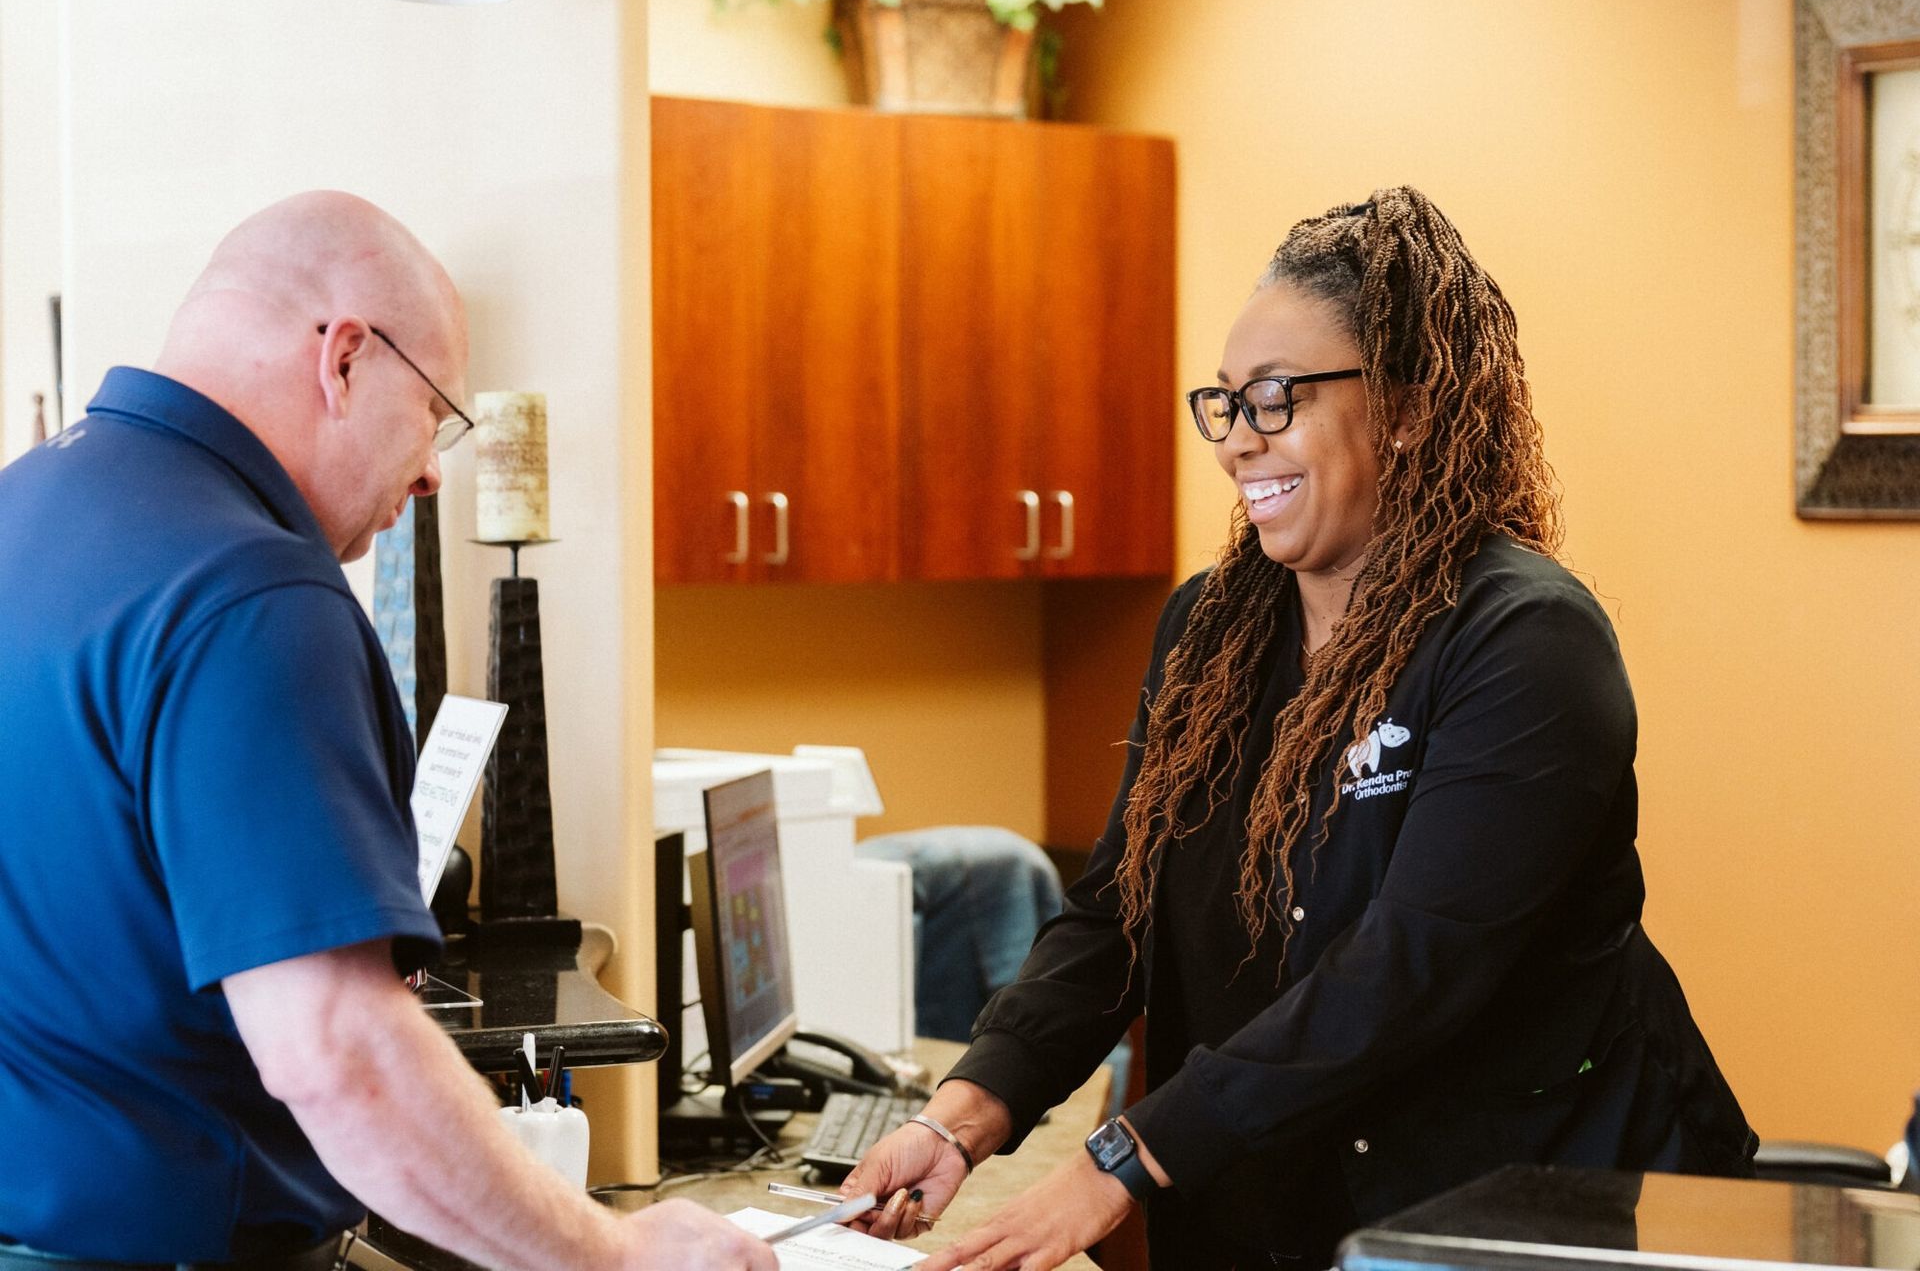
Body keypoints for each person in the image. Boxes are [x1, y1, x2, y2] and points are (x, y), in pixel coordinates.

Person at [839, 186, 1757, 1271]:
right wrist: (963, 1114)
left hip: (1513, 1214)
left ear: (1410, 404)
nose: (1238, 442)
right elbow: (1115, 916)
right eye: (1225, 404)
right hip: (1267, 1212)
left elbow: (1406, 969)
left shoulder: (1528, 643)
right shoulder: (1209, 630)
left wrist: (1121, 1160)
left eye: (1277, 399)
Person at [0, 192, 773, 1271]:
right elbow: (337, 1052)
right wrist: (617, 1254)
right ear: (347, 357)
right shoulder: (254, 592)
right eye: (434, 414)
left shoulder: (22, 505)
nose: (428, 470)